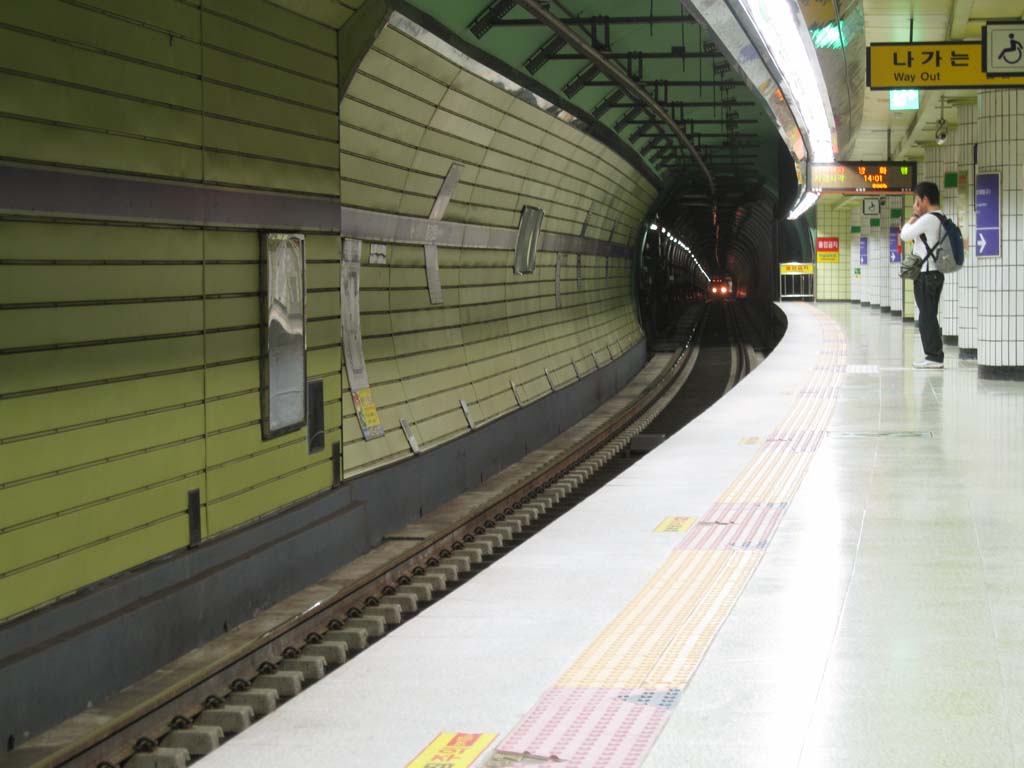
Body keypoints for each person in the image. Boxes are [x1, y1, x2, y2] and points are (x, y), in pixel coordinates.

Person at [900, 182, 946, 369]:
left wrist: (913, 217)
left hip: (926, 275)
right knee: (930, 314)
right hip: (936, 273)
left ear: (925, 200)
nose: (914, 205)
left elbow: (904, 235)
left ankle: (934, 356)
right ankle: (934, 354)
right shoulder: (942, 217)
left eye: (916, 201)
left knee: (926, 316)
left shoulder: (927, 219)